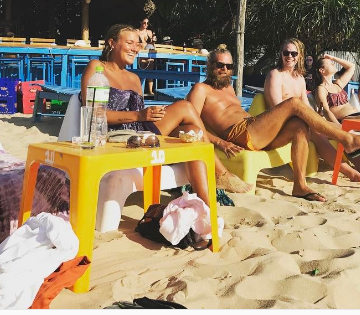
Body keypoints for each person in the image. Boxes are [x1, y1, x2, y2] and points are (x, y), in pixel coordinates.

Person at [80, 25, 252, 228]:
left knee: (194, 132)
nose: (135, 48)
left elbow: (140, 118)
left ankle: (207, 210)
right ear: (111, 43)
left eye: (137, 44)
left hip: (140, 133)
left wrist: (152, 114)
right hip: (114, 136)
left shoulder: (134, 78)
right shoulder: (96, 68)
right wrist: (140, 115)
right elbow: (94, 114)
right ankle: (220, 173)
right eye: (129, 42)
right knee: (185, 107)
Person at [188, 45, 360, 202]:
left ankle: (299, 185)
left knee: (300, 125)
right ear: (210, 65)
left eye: (228, 66)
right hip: (241, 134)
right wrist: (220, 142)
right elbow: (192, 126)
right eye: (219, 65)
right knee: (293, 103)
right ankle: (348, 140)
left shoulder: (228, 88)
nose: (224, 70)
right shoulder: (200, 89)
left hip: (254, 129)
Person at [265, 41, 360, 182]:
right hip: (280, 126)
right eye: (286, 52)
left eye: (294, 53)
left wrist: (317, 119)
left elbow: (306, 106)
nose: (289, 56)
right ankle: (353, 173)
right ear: (281, 54)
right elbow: (277, 110)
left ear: (299, 56)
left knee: (337, 129)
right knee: (320, 133)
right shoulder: (275, 75)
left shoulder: (299, 78)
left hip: (299, 121)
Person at [136, 17, 156, 95]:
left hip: (149, 53)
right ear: (140, 22)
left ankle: (150, 90)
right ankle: (140, 90)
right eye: (144, 23)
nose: (146, 25)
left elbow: (152, 44)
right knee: (142, 70)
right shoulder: (136, 32)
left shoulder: (149, 32)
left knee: (150, 70)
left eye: (147, 23)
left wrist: (153, 41)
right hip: (141, 54)